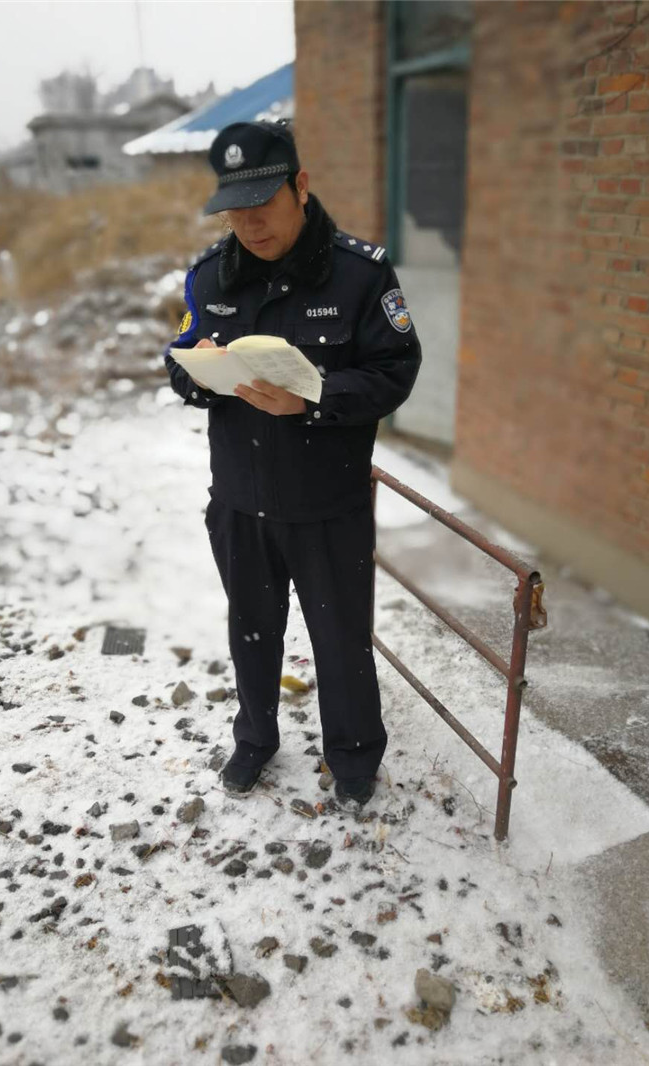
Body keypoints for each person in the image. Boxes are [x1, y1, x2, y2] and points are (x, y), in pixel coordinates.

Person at [164, 119, 421, 806]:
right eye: (236, 212)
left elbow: (395, 370)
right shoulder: (211, 275)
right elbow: (180, 352)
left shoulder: (360, 273)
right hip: (241, 499)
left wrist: (311, 399)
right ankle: (254, 739)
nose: (250, 225)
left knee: (339, 640)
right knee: (250, 630)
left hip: (326, 503)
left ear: (300, 186)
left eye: (264, 206)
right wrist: (193, 374)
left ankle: (356, 756)